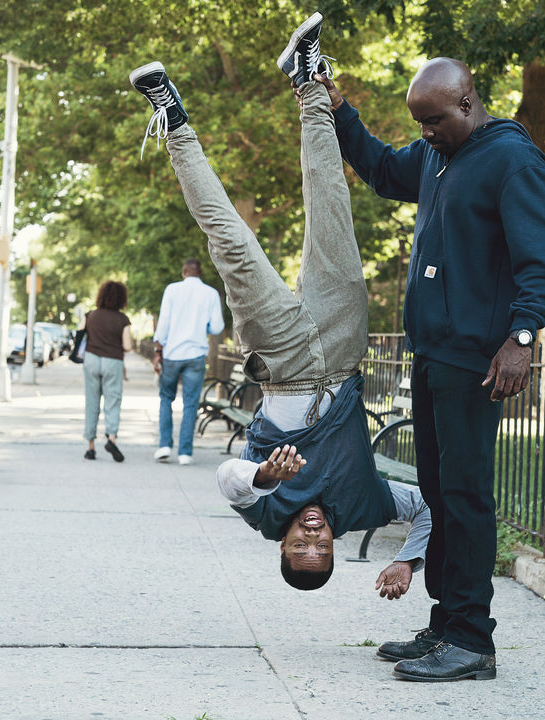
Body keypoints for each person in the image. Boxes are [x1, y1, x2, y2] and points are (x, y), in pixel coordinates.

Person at [128, 12, 430, 604]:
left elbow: (227, 479)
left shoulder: (267, 514)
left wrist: (265, 475)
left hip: (284, 359)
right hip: (342, 346)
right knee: (331, 200)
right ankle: (308, 78)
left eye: (300, 548)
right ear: (334, 548)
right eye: (321, 550)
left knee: (230, 242)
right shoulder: (365, 507)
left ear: (284, 544)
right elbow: (426, 508)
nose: (312, 538)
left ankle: (173, 119)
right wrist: (408, 561)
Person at [315, 55, 545, 681]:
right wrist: (337, 107)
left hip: (474, 361)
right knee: (435, 493)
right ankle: (445, 622)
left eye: (433, 121)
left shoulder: (514, 160)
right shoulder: (436, 158)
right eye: (418, 123)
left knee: (466, 497)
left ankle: (473, 638)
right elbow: (377, 166)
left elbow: (542, 264)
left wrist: (522, 338)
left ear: (467, 103)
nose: (425, 133)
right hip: (430, 355)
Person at [151, 258, 225, 465]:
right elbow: (218, 327)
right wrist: (203, 327)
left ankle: (164, 445)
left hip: (172, 354)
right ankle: (185, 453)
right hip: (196, 355)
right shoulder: (210, 293)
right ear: (200, 273)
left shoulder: (172, 290)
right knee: (190, 404)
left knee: (166, 399)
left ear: (183, 272)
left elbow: (163, 321)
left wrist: (158, 350)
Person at [82, 280, 133, 462]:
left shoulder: (90, 315)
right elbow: (127, 346)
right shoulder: (123, 320)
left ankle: (90, 447)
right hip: (113, 361)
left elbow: (80, 334)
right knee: (113, 401)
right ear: (121, 299)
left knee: (92, 401)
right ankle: (111, 438)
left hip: (91, 359)